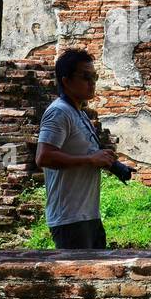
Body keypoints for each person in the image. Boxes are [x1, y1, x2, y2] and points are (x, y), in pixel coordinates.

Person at [35, 48, 118, 249]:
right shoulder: (58, 112)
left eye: (94, 77)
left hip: (89, 215)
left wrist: (104, 159)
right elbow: (43, 157)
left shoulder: (79, 112)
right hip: (69, 219)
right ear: (66, 80)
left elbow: (83, 153)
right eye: (85, 77)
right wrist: (90, 160)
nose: (92, 83)